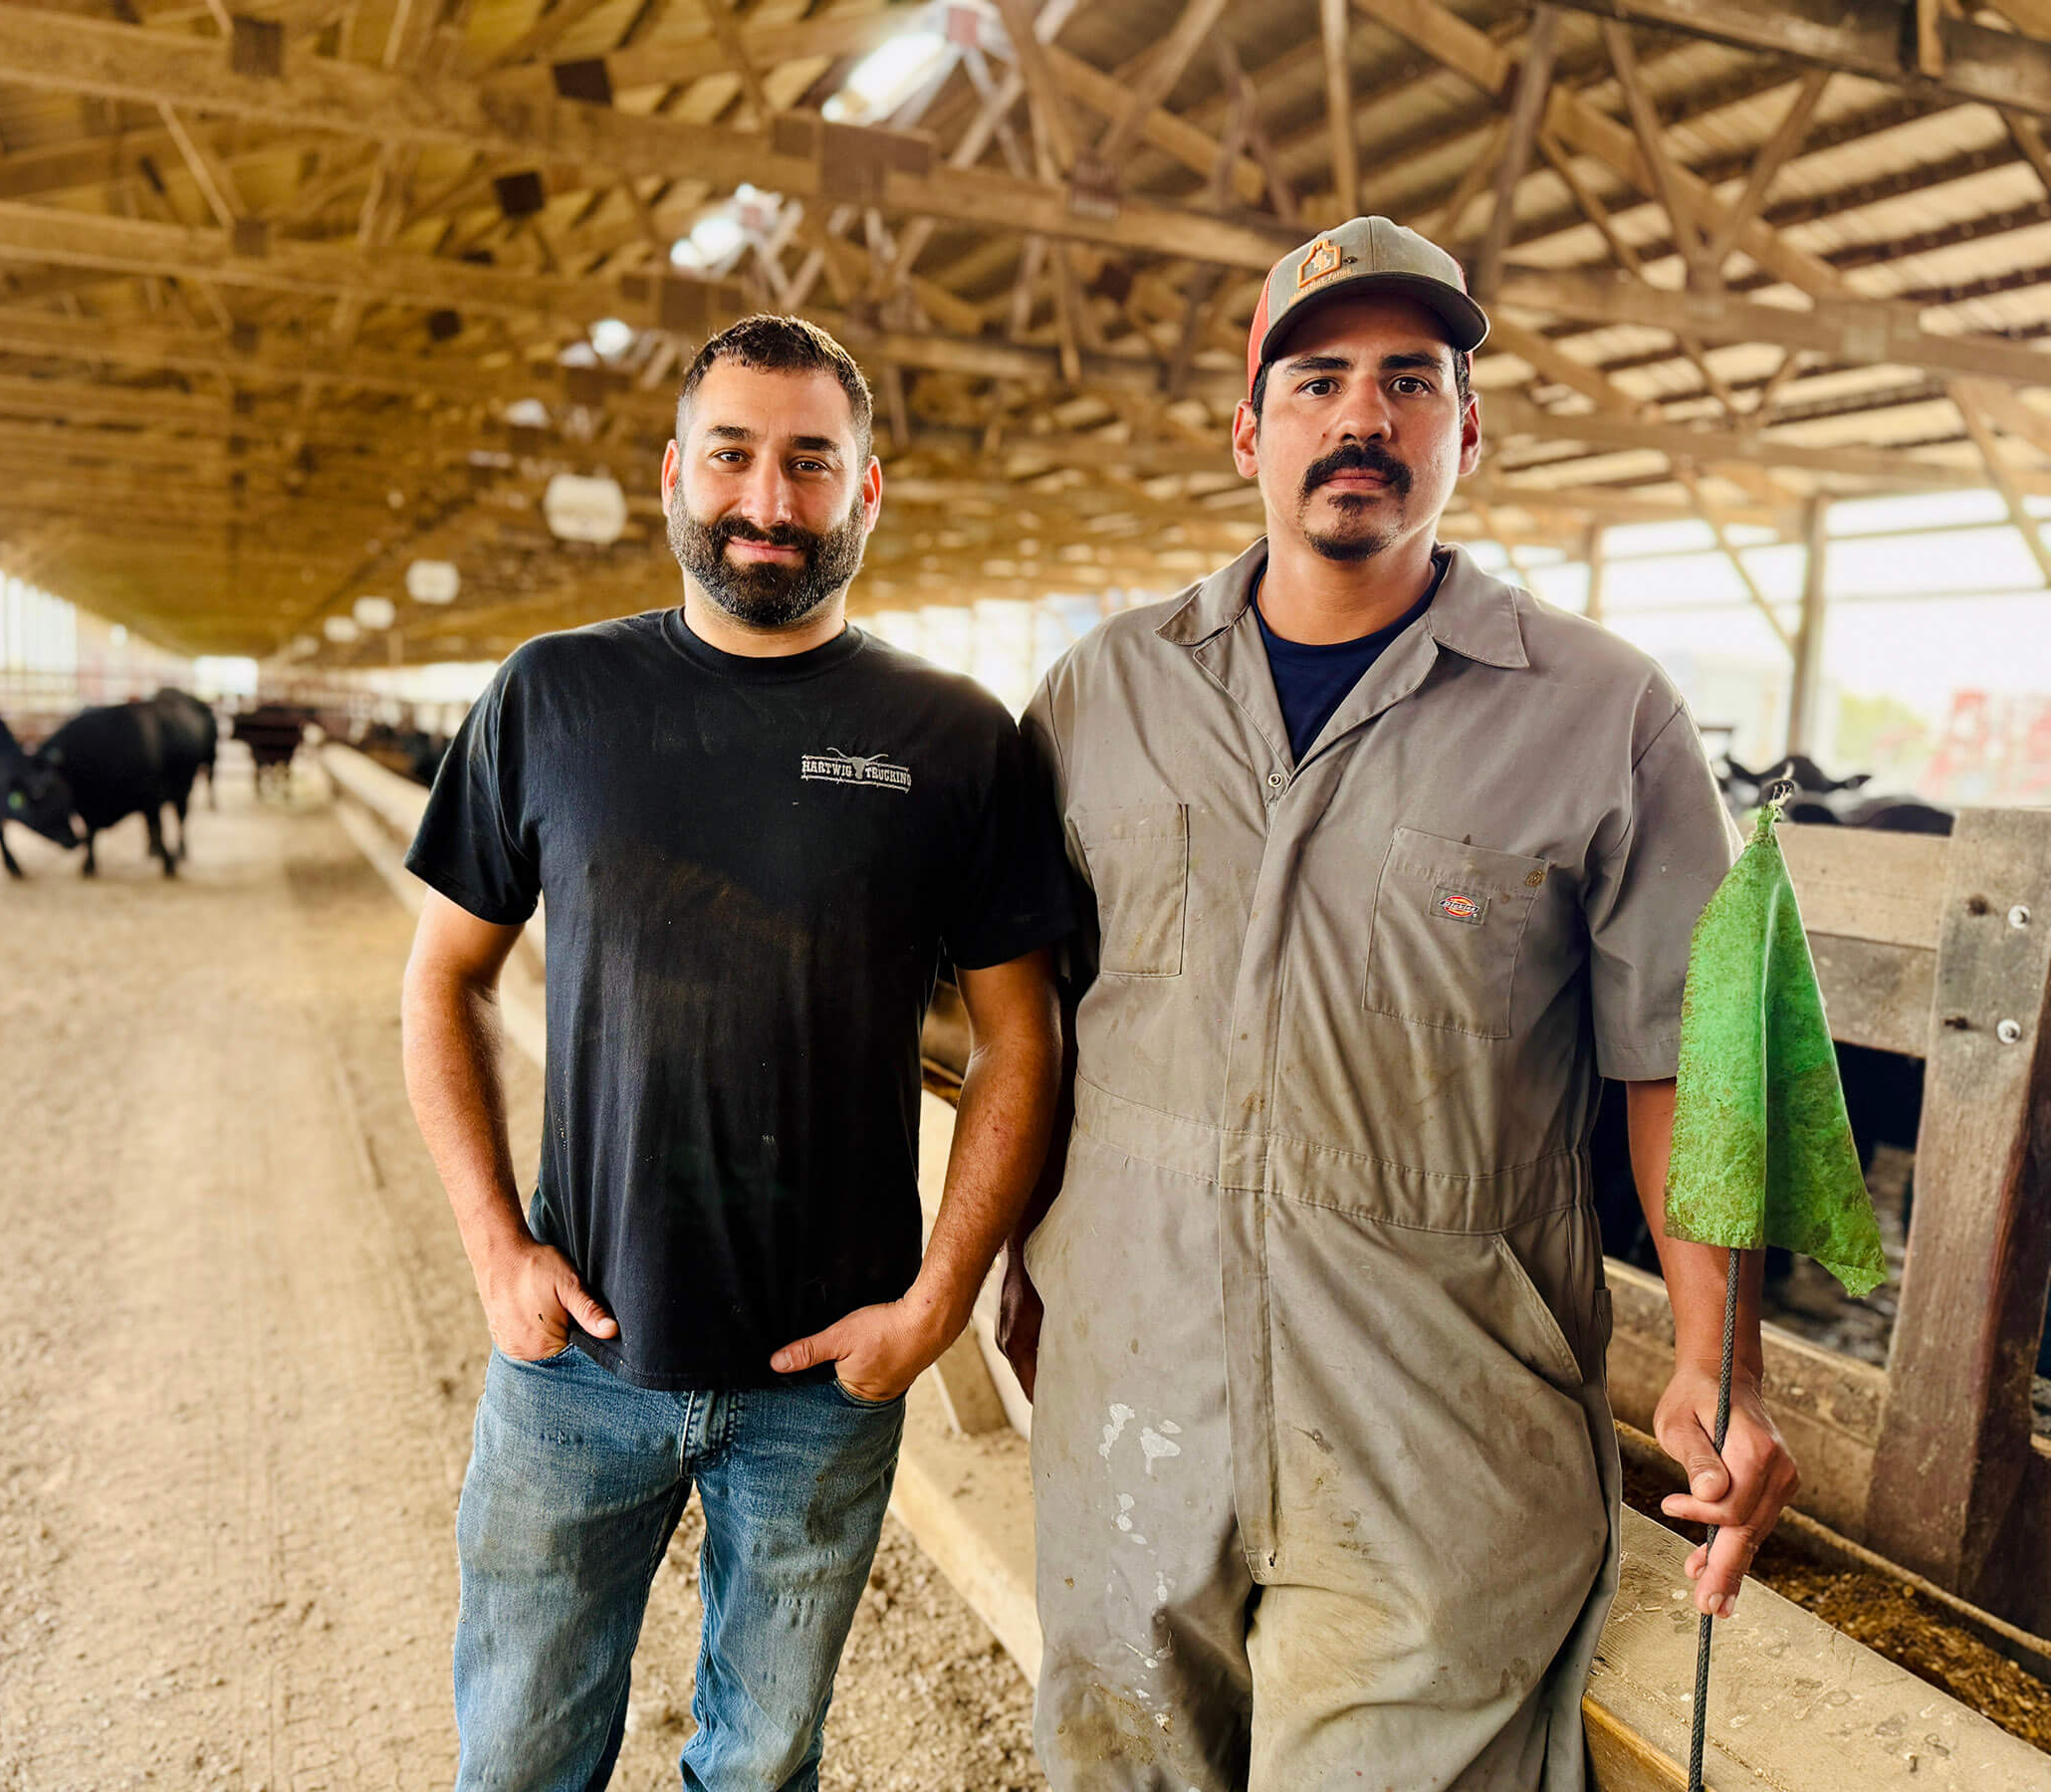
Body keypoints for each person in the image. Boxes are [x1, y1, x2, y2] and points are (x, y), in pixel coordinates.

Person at [998, 217, 1802, 1790]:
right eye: (1315, 382)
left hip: (1435, 1428)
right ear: (1249, 432)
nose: (1360, 419)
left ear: (1467, 431)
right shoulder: (1102, 695)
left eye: (1409, 382)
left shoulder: (1602, 717)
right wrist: (1024, 1252)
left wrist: (1724, 1359)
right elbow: (1037, 1017)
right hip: (1132, 1403)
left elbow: (1680, 1069)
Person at [400, 314, 1071, 1792]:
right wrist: (493, 1246)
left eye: (810, 463)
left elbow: (1024, 1036)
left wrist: (938, 1300)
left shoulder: (954, 740)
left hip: (824, 1382)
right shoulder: (552, 697)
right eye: (734, 456)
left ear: (868, 490)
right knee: (516, 1754)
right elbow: (442, 979)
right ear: (672, 475)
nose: (768, 502)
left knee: (763, 1765)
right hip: (579, 1354)